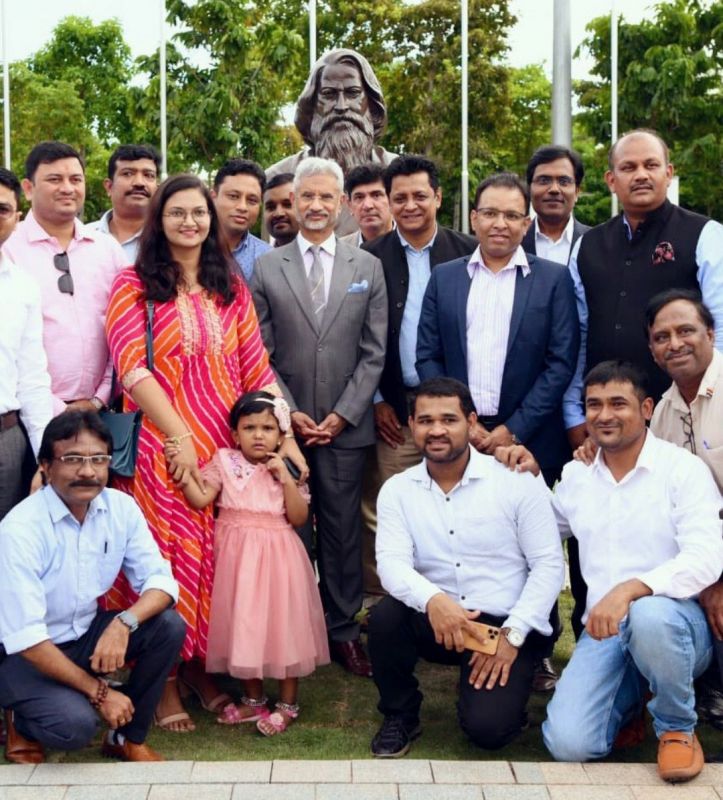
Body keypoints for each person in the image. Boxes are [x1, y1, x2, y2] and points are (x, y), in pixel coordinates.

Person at [106, 173, 306, 733]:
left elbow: (256, 369)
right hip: (161, 446)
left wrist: (283, 433)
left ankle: (199, 669)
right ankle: (163, 681)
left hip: (226, 445)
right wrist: (180, 438)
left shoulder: (230, 285)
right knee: (164, 560)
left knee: (218, 563)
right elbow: (133, 368)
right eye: (177, 213)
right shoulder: (133, 285)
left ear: (211, 219)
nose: (189, 222)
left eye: (198, 213)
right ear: (159, 222)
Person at [541, 361, 723, 783]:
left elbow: (706, 556)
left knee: (648, 615)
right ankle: (629, 701)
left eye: (617, 403)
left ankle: (677, 727)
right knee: (570, 745)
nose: (604, 415)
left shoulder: (682, 470)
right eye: (594, 405)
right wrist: (517, 472)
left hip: (677, 626)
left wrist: (631, 589)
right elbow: (540, 532)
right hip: (605, 633)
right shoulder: (576, 475)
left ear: (645, 408)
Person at [368, 378, 564, 757]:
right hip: (440, 620)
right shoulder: (398, 489)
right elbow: (391, 563)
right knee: (385, 618)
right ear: (411, 425)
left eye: (449, 419)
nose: (436, 430)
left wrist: (513, 635)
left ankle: (506, 696)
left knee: (489, 731)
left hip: (503, 625)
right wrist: (434, 600)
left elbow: (547, 564)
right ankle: (400, 715)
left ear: (471, 422)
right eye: (425, 420)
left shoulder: (514, 479)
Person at [251, 157, 387, 678]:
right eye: (305, 196)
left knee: (342, 530)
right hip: (286, 427)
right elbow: (259, 351)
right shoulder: (268, 265)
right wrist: (292, 414)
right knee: (288, 531)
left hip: (346, 428)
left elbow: (374, 351)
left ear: (342, 205)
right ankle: (292, 628)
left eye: (326, 197)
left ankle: (343, 630)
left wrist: (342, 414)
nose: (314, 206)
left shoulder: (366, 268)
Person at [0, 411, 184, 764]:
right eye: (73, 459)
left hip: (84, 635)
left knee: (167, 626)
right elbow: (26, 638)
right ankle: (19, 719)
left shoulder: (120, 508)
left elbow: (161, 582)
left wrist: (123, 623)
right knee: (74, 727)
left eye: (98, 459)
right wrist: (101, 694)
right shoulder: (21, 529)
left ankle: (125, 737)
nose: (88, 471)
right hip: (25, 655)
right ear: (46, 466)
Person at [169, 391, 329, 736]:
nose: (259, 435)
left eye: (268, 428)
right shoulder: (224, 462)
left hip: (277, 557)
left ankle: (288, 703)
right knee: (245, 624)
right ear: (234, 434)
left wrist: (285, 478)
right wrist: (183, 475)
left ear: (280, 435)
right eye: (250, 427)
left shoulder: (288, 466)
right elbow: (201, 499)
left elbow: (299, 517)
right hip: (235, 559)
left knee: (282, 625)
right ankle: (254, 699)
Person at [360, 154, 476, 596]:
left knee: (460, 511)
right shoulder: (369, 258)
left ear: (438, 197)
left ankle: (460, 603)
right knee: (389, 511)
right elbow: (360, 338)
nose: (410, 205)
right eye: (400, 197)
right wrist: (376, 402)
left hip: (462, 408)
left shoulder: (468, 252)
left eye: (419, 195)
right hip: (395, 406)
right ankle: (389, 606)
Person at [563, 129, 723, 444]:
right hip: (608, 420)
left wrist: (711, 404)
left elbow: (719, 328)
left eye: (651, 165)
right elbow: (578, 336)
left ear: (668, 172)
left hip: (690, 413)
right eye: (628, 167)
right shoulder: (587, 246)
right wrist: (573, 412)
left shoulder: (706, 235)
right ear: (611, 180)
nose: (641, 175)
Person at [4, 141, 126, 417]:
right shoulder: (8, 250)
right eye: (54, 179)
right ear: (28, 188)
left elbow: (123, 331)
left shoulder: (107, 250)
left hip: (102, 412)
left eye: (75, 179)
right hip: (28, 415)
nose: (68, 188)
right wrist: (56, 407)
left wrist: (99, 398)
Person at [266, 49, 398, 237]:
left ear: (370, 103)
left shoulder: (398, 175)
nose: (342, 106)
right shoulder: (276, 177)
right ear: (311, 106)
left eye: (353, 93)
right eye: (328, 94)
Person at [0, 166, 52, 519]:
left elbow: (33, 379)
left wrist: (47, 456)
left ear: (16, 218)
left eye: (2, 209)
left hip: (6, 441)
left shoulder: (22, 286)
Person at [90, 144, 161, 262]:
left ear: (157, 190)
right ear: (109, 187)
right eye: (128, 173)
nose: (139, 183)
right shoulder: (82, 238)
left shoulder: (169, 241)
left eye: (148, 175)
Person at [522, 145, 589, 264]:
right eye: (544, 181)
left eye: (563, 182)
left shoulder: (595, 243)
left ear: (577, 192)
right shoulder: (514, 242)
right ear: (529, 189)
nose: (554, 189)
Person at [212, 158, 271, 282]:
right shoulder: (190, 247)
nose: (242, 207)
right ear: (213, 197)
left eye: (252, 200)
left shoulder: (268, 257)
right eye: (233, 196)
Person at [340, 163, 394, 247]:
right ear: (349, 205)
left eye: (376, 195)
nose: (368, 206)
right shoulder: (337, 251)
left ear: (392, 199)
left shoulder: (413, 244)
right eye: (359, 197)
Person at [263, 173, 298, 247]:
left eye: (287, 205)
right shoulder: (261, 257)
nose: (278, 213)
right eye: (271, 207)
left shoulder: (325, 256)